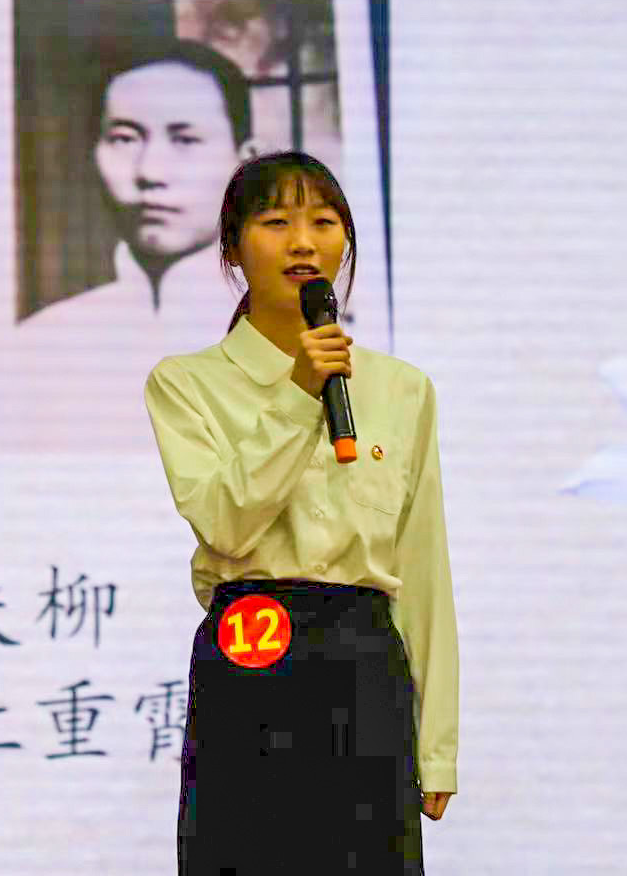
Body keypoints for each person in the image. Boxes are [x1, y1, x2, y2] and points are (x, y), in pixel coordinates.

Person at [144, 152, 457, 874]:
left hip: (363, 660)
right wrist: (298, 394)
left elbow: (422, 566)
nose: (303, 243)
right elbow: (225, 521)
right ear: (231, 249)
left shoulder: (402, 389)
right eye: (276, 222)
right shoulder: (186, 383)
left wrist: (436, 743)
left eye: (323, 222)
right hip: (252, 652)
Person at [0, 41, 260, 452]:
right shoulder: (38, 345)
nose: (150, 171)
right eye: (124, 139)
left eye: (185, 140)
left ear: (246, 164)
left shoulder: (307, 341)